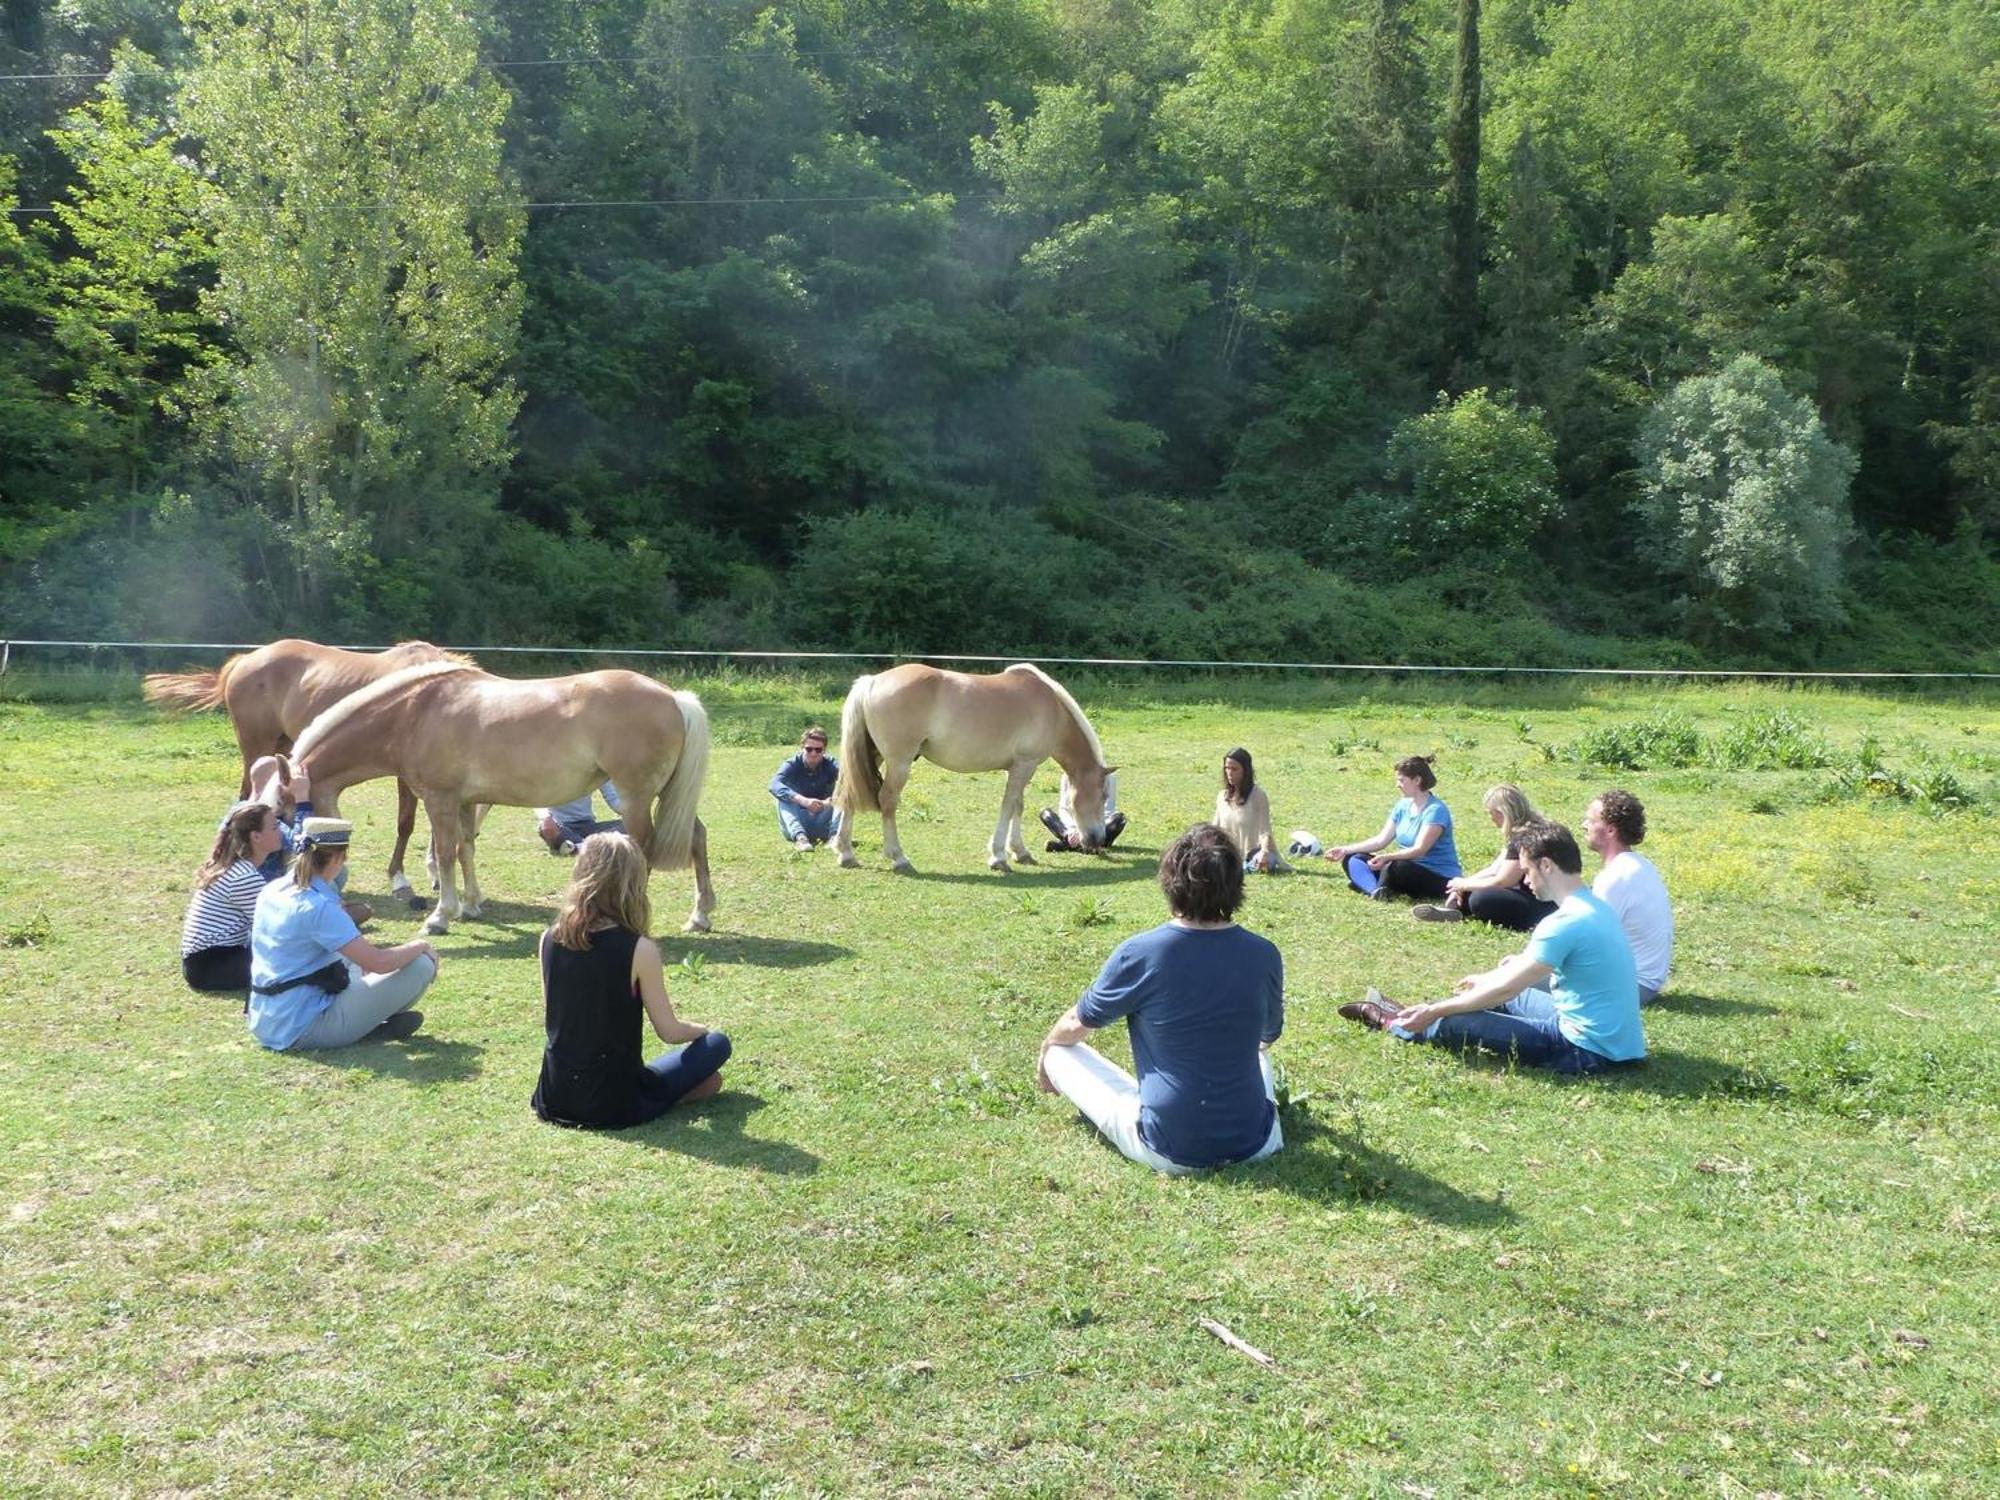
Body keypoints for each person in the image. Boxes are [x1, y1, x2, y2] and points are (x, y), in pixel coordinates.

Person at [1036, 823, 1284, 1173]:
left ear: (1170, 882)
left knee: (1060, 1053)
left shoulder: (1142, 952)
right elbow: (1267, 1037)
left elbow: (1077, 1023)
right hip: (1258, 1143)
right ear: (1236, 885)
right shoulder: (1265, 953)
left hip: (1168, 1147)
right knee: (1257, 1056)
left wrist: (1047, 1051)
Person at [1339, 822, 1644, 1075]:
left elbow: (1504, 991)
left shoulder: (1563, 922)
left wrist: (1438, 1009)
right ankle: (1416, 1013)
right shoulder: (1593, 907)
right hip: (1615, 1042)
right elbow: (1522, 975)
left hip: (1584, 1050)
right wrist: (1488, 978)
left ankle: (1397, 1022)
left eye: (1527, 871)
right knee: (1497, 990)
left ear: (1547, 865)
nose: (1525, 880)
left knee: (1454, 1020)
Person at [532, 832, 732, 1128]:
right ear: (632, 883)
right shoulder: (640, 949)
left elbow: (556, 1017)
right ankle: (662, 1095)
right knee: (718, 1045)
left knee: (711, 1081)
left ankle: (666, 1093)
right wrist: (702, 1030)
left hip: (555, 1095)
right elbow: (670, 1031)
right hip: (614, 1102)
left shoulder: (549, 938)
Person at [248, 818, 438, 1050]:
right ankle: (367, 1029)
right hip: (303, 1027)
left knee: (354, 962)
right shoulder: (319, 906)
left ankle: (367, 1025)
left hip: (266, 1019)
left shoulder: (272, 889)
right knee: (421, 964)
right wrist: (421, 945)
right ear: (338, 858)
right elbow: (379, 963)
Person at [1412, 784, 1555, 929]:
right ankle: (1454, 911)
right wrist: (1463, 884)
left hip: (1542, 901)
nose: (1490, 818)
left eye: (1490, 812)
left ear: (1502, 812)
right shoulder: (1519, 834)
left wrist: (1465, 885)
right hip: (1526, 894)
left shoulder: (1526, 837)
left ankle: (1464, 910)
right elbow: (1494, 870)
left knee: (1481, 898)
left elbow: (1504, 881)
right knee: (1472, 891)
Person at [181, 801, 286, 993]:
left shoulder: (236, 867)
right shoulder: (244, 877)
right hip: (211, 966)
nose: (281, 832)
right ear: (256, 837)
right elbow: (276, 925)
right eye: (274, 827)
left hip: (206, 961)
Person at [1324, 755, 1462, 899]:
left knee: (1397, 866)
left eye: (1401, 780)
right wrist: (1345, 849)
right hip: (1402, 867)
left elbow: (1420, 850)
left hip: (1436, 875)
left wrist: (1387, 857)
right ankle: (1376, 891)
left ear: (1417, 780)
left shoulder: (1435, 810)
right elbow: (1381, 840)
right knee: (1354, 858)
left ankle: (1373, 885)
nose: (1397, 785)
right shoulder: (1402, 805)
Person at [1585, 789, 1674, 1004]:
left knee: (1516, 982)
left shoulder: (1616, 877)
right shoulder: (1640, 865)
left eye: (1590, 820)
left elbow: (1587, 941)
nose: (1584, 825)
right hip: (1644, 982)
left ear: (1610, 830)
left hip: (1628, 986)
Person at [1215, 747, 1286, 872]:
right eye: (1227, 768)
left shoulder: (1258, 795)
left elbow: (1265, 830)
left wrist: (1264, 852)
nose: (1230, 773)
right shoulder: (1222, 796)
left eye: (1234, 769)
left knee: (1265, 861)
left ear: (1245, 770)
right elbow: (1214, 828)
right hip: (1229, 854)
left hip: (1254, 853)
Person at [769, 726, 840, 850]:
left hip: (823, 820)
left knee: (845, 796)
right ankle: (801, 839)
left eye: (818, 750)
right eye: (809, 749)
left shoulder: (831, 764)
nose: (813, 753)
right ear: (802, 748)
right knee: (784, 796)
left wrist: (829, 802)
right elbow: (774, 784)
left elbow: (850, 782)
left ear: (824, 750)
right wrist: (803, 801)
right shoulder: (792, 764)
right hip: (796, 821)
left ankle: (835, 837)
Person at [1039, 771, 1126, 853]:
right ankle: (1072, 841)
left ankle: (1065, 845)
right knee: (1045, 813)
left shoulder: (1108, 777)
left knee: (1119, 819)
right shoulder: (1067, 776)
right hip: (1072, 826)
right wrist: (1072, 831)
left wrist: (1086, 831)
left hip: (1098, 827)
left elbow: (1108, 811)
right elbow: (1064, 808)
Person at [536, 783, 624, 856]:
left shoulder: (597, 770)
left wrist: (633, 813)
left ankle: (578, 847)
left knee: (631, 825)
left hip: (588, 826)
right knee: (546, 829)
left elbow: (615, 800)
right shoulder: (550, 768)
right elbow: (536, 797)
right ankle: (597, 846)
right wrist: (545, 818)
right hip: (561, 827)